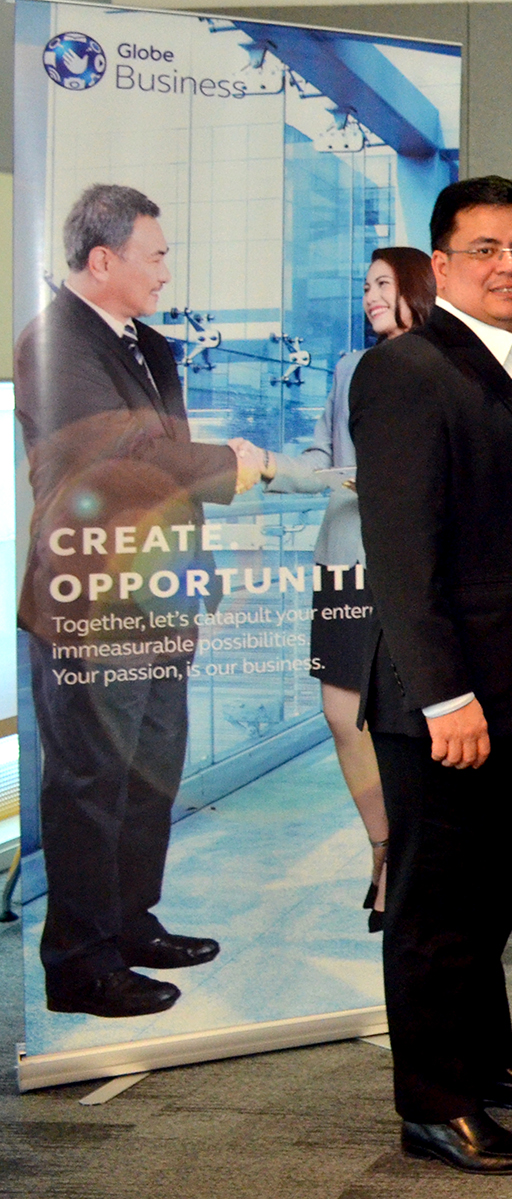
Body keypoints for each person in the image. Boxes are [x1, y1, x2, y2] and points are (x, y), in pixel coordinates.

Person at [352, 176, 512, 1175]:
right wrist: (443, 694)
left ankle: (486, 1061)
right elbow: (401, 554)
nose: (510, 265)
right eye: (486, 249)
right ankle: (434, 1104)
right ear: (442, 263)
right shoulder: (406, 370)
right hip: (452, 702)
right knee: (435, 911)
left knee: (488, 900)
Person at [16, 183, 275, 1019]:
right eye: (154, 256)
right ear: (103, 260)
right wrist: (231, 462)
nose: (166, 272)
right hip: (90, 598)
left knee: (149, 767)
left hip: (161, 594)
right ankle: (80, 961)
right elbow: (124, 454)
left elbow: (165, 463)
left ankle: (130, 922)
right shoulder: (53, 342)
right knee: (90, 779)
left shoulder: (151, 347)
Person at [298, 246, 436, 934]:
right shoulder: (350, 367)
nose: (371, 297)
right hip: (342, 559)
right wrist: (275, 469)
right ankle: (384, 847)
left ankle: (407, 864)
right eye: (365, 287)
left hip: (407, 566)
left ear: (416, 285)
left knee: (404, 724)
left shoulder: (440, 365)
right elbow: (323, 454)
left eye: (383, 284)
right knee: (339, 712)